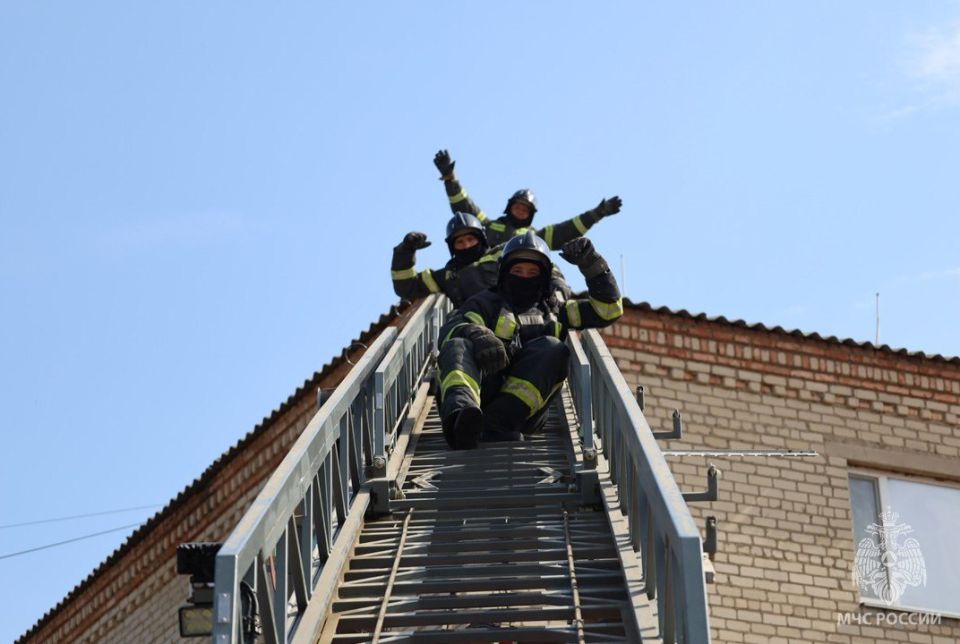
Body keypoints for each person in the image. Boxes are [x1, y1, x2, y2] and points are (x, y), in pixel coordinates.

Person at [436, 231, 623, 449]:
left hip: (522, 416)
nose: (524, 277)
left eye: (533, 272)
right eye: (517, 271)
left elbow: (608, 311)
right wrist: (478, 335)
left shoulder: (557, 311)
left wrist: (592, 265)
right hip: (481, 397)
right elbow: (453, 328)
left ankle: (496, 424)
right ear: (504, 273)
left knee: (554, 348)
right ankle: (459, 421)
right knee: (457, 344)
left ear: (544, 277)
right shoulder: (485, 302)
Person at [433, 149, 623, 248]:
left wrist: (597, 213)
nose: (520, 210)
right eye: (518, 206)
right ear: (509, 207)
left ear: (531, 215)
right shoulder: (489, 226)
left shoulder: (535, 237)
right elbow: (465, 209)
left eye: (525, 209)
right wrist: (450, 180)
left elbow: (567, 230)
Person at [391, 213, 573, 307]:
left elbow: (545, 268)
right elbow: (406, 286)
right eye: (460, 242)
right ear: (452, 247)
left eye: (471, 239)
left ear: (482, 239)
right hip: (475, 328)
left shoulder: (503, 253)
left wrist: (558, 293)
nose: (466, 245)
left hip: (520, 315)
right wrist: (405, 251)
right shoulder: (446, 275)